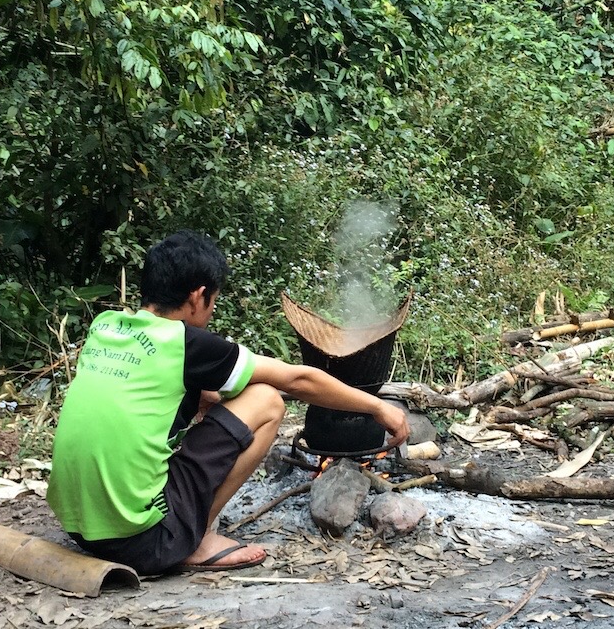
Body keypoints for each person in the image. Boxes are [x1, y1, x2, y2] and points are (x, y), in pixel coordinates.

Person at [47, 230, 409, 575]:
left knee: (214, 394)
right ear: (198, 296)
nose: (212, 312)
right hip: (145, 542)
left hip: (80, 529)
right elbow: (298, 380)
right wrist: (378, 407)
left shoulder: (105, 326)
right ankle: (196, 538)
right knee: (267, 401)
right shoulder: (183, 343)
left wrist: (204, 396)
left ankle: (169, 524)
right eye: (214, 302)